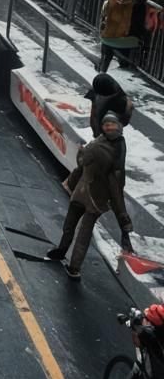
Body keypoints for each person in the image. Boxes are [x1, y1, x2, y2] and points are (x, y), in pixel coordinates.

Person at [46, 112, 130, 278]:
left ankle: (68, 259)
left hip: (88, 194)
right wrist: (123, 219)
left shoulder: (103, 146)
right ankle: (68, 258)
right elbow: (114, 187)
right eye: (107, 124)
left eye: (111, 124)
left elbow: (82, 165)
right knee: (76, 229)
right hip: (89, 194)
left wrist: (71, 180)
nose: (109, 127)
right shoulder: (108, 145)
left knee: (77, 230)